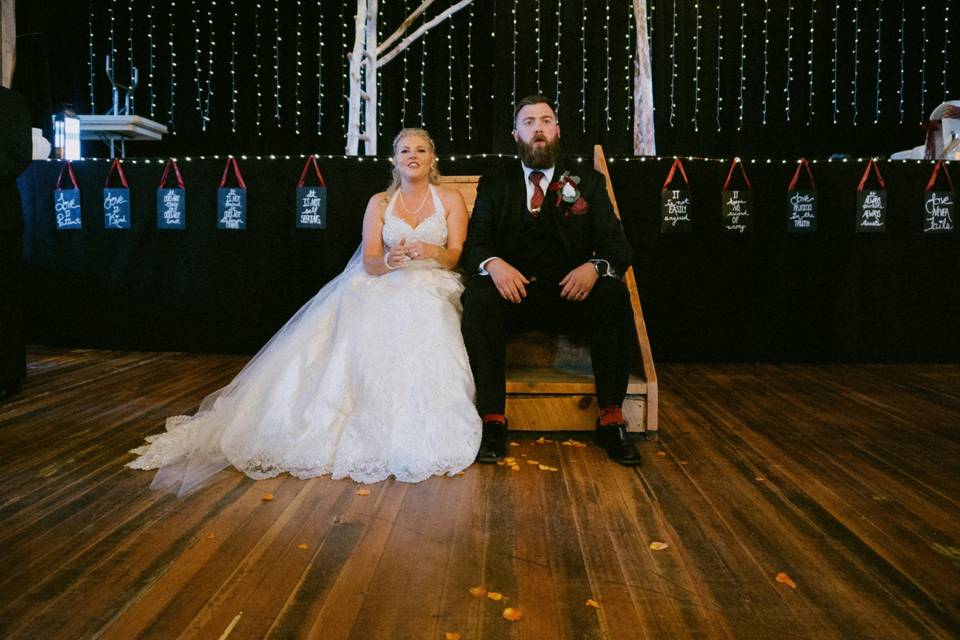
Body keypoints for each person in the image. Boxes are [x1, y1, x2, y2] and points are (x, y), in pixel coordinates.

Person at [129, 128, 482, 495]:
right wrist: (391, 261)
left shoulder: (450, 199)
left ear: (432, 158)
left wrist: (428, 250)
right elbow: (371, 262)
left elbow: (455, 256)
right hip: (385, 281)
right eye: (405, 150)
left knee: (423, 315)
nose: (413, 156)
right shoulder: (380, 202)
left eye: (420, 150)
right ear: (394, 160)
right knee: (359, 317)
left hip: (431, 282)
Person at [460, 95, 641, 466]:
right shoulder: (494, 184)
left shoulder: (587, 182)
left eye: (545, 121)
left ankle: (610, 418)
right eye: (529, 122)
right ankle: (493, 419)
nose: (538, 128)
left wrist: (594, 267)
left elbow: (618, 247)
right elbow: (474, 245)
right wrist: (495, 265)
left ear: (557, 130)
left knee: (612, 294)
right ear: (516, 134)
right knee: (478, 296)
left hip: (570, 298)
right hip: (516, 299)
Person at [0, 86, 33, 400]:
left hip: (2, 218)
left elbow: (20, 154)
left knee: (5, 296)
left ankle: (6, 375)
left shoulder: (10, 101)